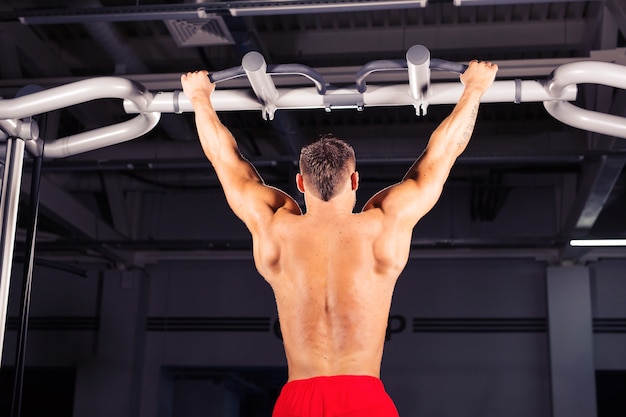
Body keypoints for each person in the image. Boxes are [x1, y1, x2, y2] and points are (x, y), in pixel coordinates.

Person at [181, 59, 498, 417]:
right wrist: (475, 88)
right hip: (364, 399)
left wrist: (198, 97)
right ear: (355, 181)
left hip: (297, 401)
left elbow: (224, 159)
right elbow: (441, 156)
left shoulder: (274, 228)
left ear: (300, 184)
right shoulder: (383, 226)